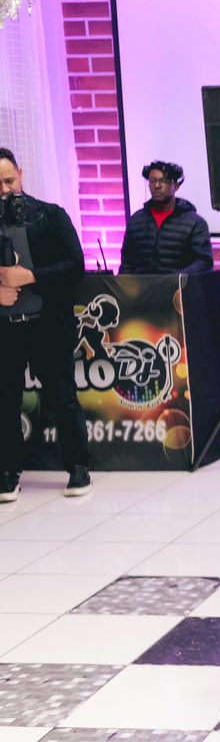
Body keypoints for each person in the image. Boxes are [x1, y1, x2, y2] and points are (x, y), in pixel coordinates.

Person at [0, 147, 91, 501]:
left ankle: (78, 467)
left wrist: (30, 276)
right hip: (6, 331)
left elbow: (74, 265)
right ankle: (7, 473)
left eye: (9, 180)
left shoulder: (50, 216)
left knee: (63, 398)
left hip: (47, 325)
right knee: (5, 402)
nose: (5, 190)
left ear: (21, 175)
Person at [119, 161, 213, 275]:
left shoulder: (195, 223)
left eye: (163, 181)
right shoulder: (135, 221)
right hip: (141, 286)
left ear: (176, 186)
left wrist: (176, 279)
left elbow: (203, 262)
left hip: (177, 285)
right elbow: (127, 264)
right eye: (152, 181)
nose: (157, 185)